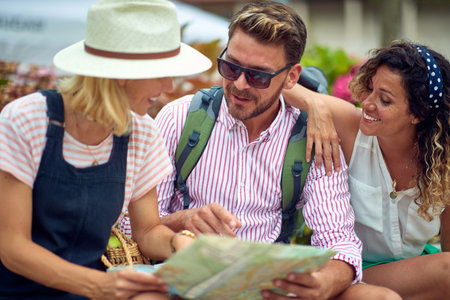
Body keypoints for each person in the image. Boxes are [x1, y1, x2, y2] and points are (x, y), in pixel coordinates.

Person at [120, 1, 400, 299]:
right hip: (186, 282)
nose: (239, 84)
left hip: (266, 288)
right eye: (230, 67)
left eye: (258, 76)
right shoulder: (180, 118)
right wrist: (184, 221)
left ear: (292, 77)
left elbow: (340, 242)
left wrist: (322, 285)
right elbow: (133, 225)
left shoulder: (311, 137)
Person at [0, 0, 212, 299]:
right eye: (162, 72)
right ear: (122, 73)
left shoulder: (142, 133)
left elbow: (148, 231)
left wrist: (180, 243)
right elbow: (12, 248)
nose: (168, 85)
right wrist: (99, 286)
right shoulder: (26, 120)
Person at [284, 40, 450, 299]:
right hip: (351, 271)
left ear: (419, 113)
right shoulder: (353, 126)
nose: (368, 103)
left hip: (417, 271)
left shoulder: (443, 162)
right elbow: (278, 86)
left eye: (384, 99)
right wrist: (313, 103)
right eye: (370, 89)